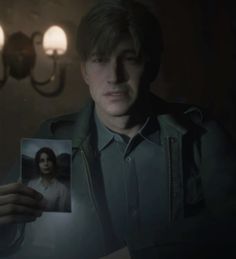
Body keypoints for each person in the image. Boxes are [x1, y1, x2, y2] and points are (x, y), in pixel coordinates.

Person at [0, 0, 236, 258]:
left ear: (152, 66)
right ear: (85, 71)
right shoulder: (54, 141)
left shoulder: (200, 135)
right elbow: (26, 246)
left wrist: (140, 252)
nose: (114, 76)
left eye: (130, 59)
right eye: (100, 60)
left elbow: (229, 229)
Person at [27, 147, 70, 212]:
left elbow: (62, 214)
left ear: (53, 163)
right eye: (42, 161)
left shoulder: (62, 189)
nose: (46, 164)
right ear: (38, 164)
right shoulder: (31, 184)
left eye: (49, 160)